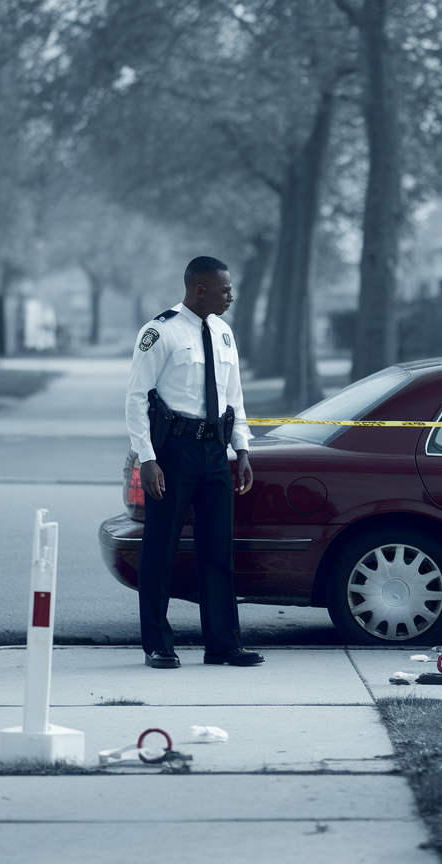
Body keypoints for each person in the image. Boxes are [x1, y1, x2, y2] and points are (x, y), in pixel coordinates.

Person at [125, 256, 263, 669]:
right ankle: (157, 644)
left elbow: (233, 397)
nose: (231, 296)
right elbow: (136, 398)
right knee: (161, 548)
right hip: (173, 452)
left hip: (214, 452)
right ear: (200, 289)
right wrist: (147, 459)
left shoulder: (223, 333)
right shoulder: (160, 331)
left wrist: (242, 450)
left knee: (218, 549)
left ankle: (223, 645)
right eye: (225, 290)